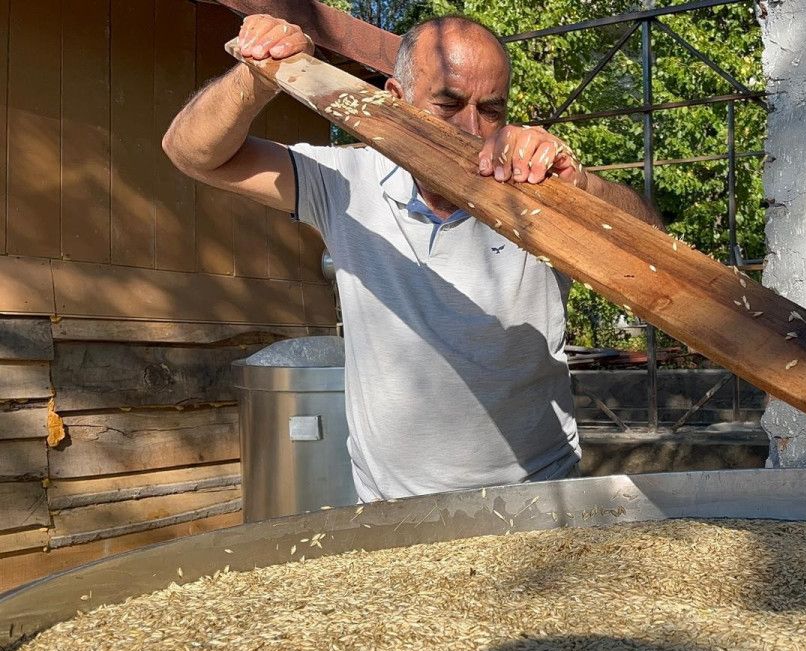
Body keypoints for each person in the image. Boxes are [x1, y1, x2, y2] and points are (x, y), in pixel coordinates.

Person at [163, 13, 663, 501]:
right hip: (392, 505)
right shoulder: (344, 181)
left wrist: (581, 187)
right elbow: (193, 154)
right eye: (448, 104)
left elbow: (654, 251)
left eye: (491, 110)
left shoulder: (536, 195)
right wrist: (258, 77)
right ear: (396, 100)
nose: (472, 128)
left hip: (538, 493)